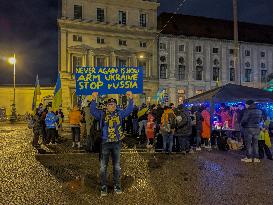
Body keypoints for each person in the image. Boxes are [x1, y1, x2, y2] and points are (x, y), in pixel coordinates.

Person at [90, 91, 134, 196]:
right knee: (103, 167)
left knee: (117, 166)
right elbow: (93, 111)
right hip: (105, 142)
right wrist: (93, 99)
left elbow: (129, 110)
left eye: (113, 104)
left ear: (116, 105)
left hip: (117, 143)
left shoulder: (120, 113)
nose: (111, 106)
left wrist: (131, 99)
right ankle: (103, 187)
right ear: (106, 106)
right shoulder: (102, 114)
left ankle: (117, 186)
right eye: (109, 104)